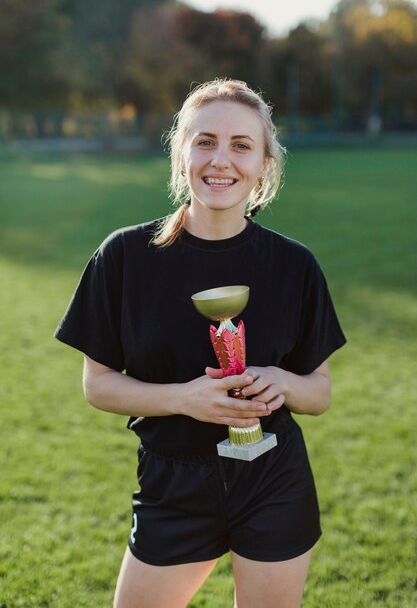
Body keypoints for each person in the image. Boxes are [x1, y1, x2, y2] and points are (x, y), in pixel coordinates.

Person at [55, 78, 346, 608]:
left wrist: (282, 382)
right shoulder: (124, 256)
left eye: (242, 146)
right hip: (173, 481)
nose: (222, 160)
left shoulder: (294, 265)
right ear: (182, 153)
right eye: (205, 141)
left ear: (264, 165)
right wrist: (184, 399)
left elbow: (319, 394)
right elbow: (97, 385)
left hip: (273, 480)